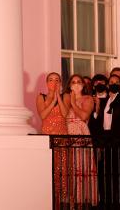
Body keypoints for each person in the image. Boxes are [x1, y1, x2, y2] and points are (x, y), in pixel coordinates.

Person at [90, 74, 120, 208]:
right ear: (108, 85)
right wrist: (96, 110)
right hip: (105, 140)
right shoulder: (105, 100)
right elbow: (98, 120)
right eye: (111, 82)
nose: (113, 84)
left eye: (116, 82)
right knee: (105, 172)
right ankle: (106, 201)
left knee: (119, 172)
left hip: (118, 139)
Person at [63, 74, 97, 207]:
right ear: (69, 85)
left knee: (81, 168)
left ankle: (81, 201)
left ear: (83, 85)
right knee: (69, 168)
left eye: (78, 82)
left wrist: (73, 102)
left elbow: (83, 116)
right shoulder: (66, 97)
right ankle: (70, 201)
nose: (76, 84)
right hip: (67, 135)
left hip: (81, 134)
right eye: (73, 82)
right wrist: (68, 100)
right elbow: (64, 115)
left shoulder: (88, 99)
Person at [36, 72, 68, 209]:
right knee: (48, 170)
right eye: (51, 80)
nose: (54, 82)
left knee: (62, 171)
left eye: (57, 80)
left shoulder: (65, 96)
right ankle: (48, 202)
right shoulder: (40, 97)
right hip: (47, 137)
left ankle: (61, 203)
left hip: (62, 137)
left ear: (60, 83)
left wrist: (58, 98)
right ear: (46, 82)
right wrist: (52, 101)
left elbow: (65, 114)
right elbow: (43, 115)